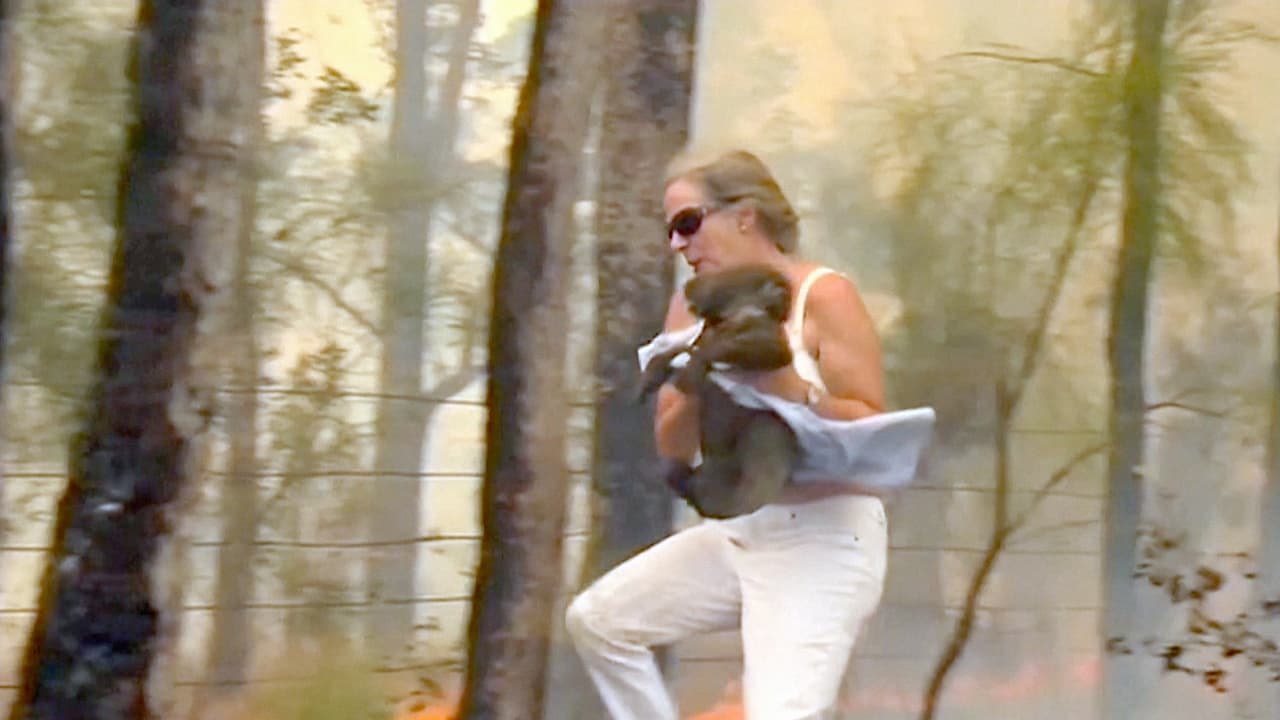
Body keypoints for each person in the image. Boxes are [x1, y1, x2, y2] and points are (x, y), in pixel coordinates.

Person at [565, 148, 891, 720]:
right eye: (670, 231)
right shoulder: (687, 310)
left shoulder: (823, 295)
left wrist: (791, 388)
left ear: (745, 215)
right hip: (741, 533)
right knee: (600, 624)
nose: (678, 245)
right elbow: (672, 444)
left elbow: (873, 425)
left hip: (825, 542)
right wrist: (701, 371)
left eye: (688, 223)